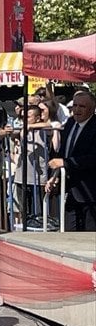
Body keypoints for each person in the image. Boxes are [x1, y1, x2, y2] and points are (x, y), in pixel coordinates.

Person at [47, 90, 95, 232]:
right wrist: (55, 176)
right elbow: (63, 152)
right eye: (75, 106)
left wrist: (65, 163)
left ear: (92, 109)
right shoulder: (70, 123)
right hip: (71, 189)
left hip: (90, 191)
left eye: (82, 106)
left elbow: (92, 158)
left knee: (89, 234)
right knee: (69, 230)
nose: (77, 109)